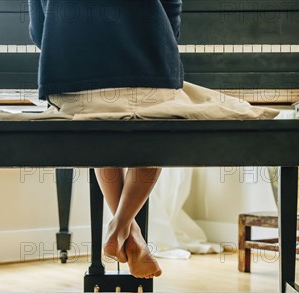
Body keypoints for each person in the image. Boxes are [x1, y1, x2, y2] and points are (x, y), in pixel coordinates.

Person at [27, 0, 185, 278]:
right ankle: (122, 227)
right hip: (147, 73)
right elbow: (171, 11)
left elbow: (38, 30)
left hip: (71, 82)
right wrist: (157, 49)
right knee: (160, 124)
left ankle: (128, 233)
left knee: (97, 121)